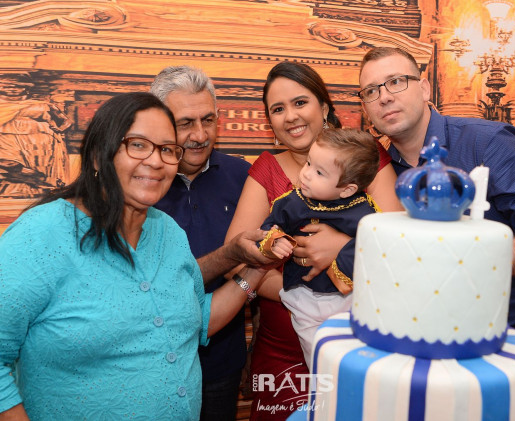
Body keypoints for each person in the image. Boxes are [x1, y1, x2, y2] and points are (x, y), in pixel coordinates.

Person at [0, 92, 279, 420]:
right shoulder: (42, 235)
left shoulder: (169, 233)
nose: (156, 161)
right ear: (98, 156)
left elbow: (195, 318)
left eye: (167, 149)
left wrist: (257, 268)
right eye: (138, 145)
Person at [358, 46, 515, 419]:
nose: (384, 97)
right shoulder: (377, 169)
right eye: (371, 91)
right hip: (415, 343)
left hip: (504, 338)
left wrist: (480, 259)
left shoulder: (487, 142)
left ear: (425, 87)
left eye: (395, 81)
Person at [225, 61, 402, 420]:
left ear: (324, 107)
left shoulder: (363, 158)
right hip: (283, 348)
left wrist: (340, 249)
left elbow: (398, 245)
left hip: (360, 334)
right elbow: (237, 260)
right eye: (278, 109)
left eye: (300, 102)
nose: (290, 116)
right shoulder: (266, 170)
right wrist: (303, 291)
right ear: (270, 122)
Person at [150, 65, 250, 421]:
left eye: (208, 120)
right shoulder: (141, 182)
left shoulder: (244, 176)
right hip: (151, 365)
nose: (200, 135)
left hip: (221, 363)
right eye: (185, 123)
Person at [255, 128, 380, 366]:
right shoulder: (291, 202)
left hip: (349, 300)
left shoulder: (364, 211)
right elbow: (267, 228)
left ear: (348, 189)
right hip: (304, 298)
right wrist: (275, 240)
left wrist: (344, 250)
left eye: (319, 172)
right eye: (309, 163)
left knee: (351, 360)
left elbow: (375, 248)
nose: (306, 174)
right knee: (319, 362)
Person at [0, 73, 71, 197]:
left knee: (33, 168)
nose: (12, 89)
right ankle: (45, 181)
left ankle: (42, 183)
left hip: (38, 146)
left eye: (17, 86)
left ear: (26, 88)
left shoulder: (42, 105)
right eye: (7, 86)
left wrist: (61, 129)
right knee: (8, 164)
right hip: (6, 141)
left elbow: (66, 121)